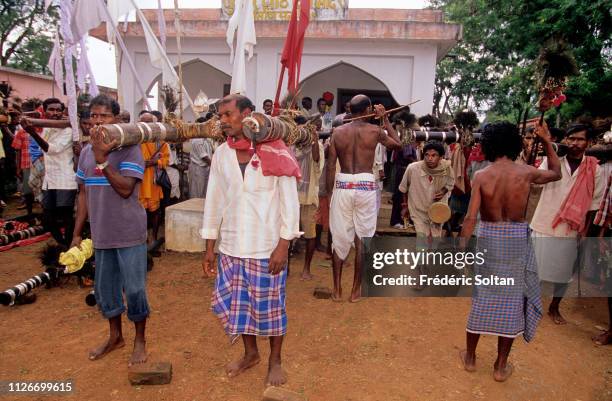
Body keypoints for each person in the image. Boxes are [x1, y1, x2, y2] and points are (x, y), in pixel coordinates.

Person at [201, 94, 301, 386]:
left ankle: (275, 359)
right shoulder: (221, 153)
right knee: (239, 306)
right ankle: (250, 354)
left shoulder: (276, 150)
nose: (223, 121)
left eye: (229, 115)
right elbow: (214, 201)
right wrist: (210, 247)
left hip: (266, 247)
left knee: (271, 308)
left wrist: (284, 244)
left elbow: (290, 202)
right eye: (220, 116)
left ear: (247, 114)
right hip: (231, 246)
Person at [459, 121, 561, 382]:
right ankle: (499, 366)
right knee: (512, 303)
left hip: (489, 239)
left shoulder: (481, 175)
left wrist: (461, 250)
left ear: (489, 144)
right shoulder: (527, 172)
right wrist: (547, 140)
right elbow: (556, 172)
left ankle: (470, 358)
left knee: (483, 298)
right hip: (516, 240)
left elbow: (471, 218)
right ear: (514, 144)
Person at [72, 94, 149, 366]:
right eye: (93, 116)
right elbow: (83, 194)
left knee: (136, 290)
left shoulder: (130, 148)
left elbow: (127, 189)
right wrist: (77, 235)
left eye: (103, 116)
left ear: (116, 119)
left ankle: (139, 340)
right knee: (106, 291)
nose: (97, 121)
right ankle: (115, 337)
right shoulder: (84, 152)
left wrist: (103, 160)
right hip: (102, 234)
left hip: (129, 232)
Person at [326, 94, 401, 302]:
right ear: (368, 109)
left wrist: (330, 193)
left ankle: (337, 289)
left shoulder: (338, 132)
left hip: (342, 185)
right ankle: (355, 290)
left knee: (339, 238)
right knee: (362, 239)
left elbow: (331, 165)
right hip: (366, 186)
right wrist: (385, 118)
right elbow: (398, 144)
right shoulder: (375, 131)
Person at [530, 123, 605, 325]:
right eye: (571, 139)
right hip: (545, 220)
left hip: (572, 227)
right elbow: (537, 180)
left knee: (564, 272)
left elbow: (594, 205)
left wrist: (585, 233)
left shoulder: (595, 170)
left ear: (589, 142)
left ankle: (554, 307)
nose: (574, 143)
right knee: (534, 267)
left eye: (579, 139)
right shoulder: (553, 160)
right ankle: (528, 304)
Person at [21, 98, 77, 246]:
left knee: (66, 216)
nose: (55, 113)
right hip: (50, 180)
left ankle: (67, 246)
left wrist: (32, 133)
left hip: (65, 180)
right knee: (48, 218)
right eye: (51, 110)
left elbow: (51, 149)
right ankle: (63, 244)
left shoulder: (69, 130)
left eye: (58, 110)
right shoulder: (46, 128)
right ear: (45, 111)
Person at [399, 141, 454, 238]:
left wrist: (443, 191)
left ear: (441, 157)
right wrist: (405, 206)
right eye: (427, 155)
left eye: (434, 155)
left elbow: (450, 184)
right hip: (418, 211)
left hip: (438, 211)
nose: (430, 158)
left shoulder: (447, 169)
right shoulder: (412, 168)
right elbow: (404, 188)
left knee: (435, 240)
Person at [294, 122, 324, 280]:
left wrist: (313, 140)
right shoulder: (293, 145)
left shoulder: (317, 145)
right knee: (287, 233)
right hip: (292, 196)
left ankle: (306, 269)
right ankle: (286, 269)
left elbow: (317, 159)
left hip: (309, 198)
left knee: (310, 235)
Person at [138, 112, 170, 244]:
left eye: (149, 122)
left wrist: (153, 162)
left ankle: (154, 240)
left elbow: (166, 159)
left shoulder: (160, 142)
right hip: (138, 183)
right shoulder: (135, 140)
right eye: (143, 122)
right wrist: (146, 163)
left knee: (155, 212)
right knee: (141, 214)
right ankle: (142, 241)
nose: (146, 125)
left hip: (153, 183)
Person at [189, 114, 214, 198]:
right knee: (197, 191)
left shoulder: (206, 139)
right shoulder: (197, 140)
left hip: (205, 168)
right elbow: (204, 157)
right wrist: (215, 167)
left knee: (204, 191)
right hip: (198, 169)